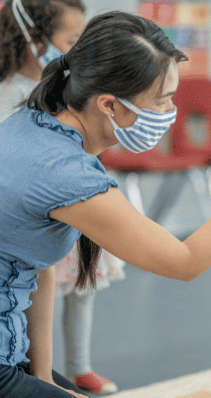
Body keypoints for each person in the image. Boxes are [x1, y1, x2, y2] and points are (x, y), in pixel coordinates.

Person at [0, 10, 211, 398]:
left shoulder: (34, 120)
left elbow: (38, 267)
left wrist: (45, 379)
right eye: (162, 100)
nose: (169, 115)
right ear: (109, 105)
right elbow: (184, 260)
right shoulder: (66, 174)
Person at [0, 1, 121, 394]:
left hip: (59, 218)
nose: (78, 50)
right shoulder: (11, 101)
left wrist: (43, 377)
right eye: (72, 40)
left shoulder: (61, 94)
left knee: (79, 283)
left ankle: (77, 365)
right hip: (35, 217)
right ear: (34, 40)